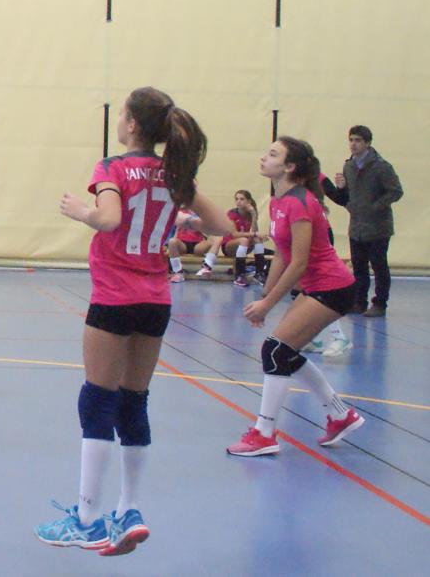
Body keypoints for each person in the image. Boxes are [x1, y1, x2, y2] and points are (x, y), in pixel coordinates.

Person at [36, 87, 231, 557]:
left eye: (122, 113)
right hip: (156, 301)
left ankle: (86, 519)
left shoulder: (113, 168)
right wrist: (175, 215)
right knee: (134, 402)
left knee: (97, 401)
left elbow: (109, 219)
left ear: (131, 125)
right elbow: (222, 225)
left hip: (115, 297)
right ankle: (129, 508)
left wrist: (82, 211)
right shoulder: (175, 174)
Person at [226, 137, 363, 457]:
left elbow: (299, 260)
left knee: (274, 351)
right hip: (318, 286)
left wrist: (268, 303)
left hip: (333, 286)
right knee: (282, 353)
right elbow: (282, 256)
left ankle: (264, 433)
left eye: (272, 155)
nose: (263, 158)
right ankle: (342, 415)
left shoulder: (301, 202)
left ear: (290, 167)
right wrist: (264, 297)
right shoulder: (277, 202)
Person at [322, 126, 402, 318]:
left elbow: (396, 191)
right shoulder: (348, 166)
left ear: (367, 143)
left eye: (357, 140)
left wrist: (376, 206)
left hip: (378, 227)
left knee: (379, 265)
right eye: (351, 140)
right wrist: (342, 190)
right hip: (357, 226)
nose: (353, 144)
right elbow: (347, 195)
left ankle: (380, 303)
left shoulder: (382, 167)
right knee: (359, 267)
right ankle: (359, 301)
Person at [217, 190, 267, 288]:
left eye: (242, 199)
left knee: (257, 240)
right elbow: (234, 234)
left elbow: (254, 231)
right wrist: (255, 234)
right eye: (236, 199)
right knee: (244, 239)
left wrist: (253, 215)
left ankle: (259, 273)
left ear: (249, 201)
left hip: (244, 245)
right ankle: (239, 275)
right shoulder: (232, 213)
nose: (238, 201)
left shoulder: (250, 213)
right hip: (229, 246)